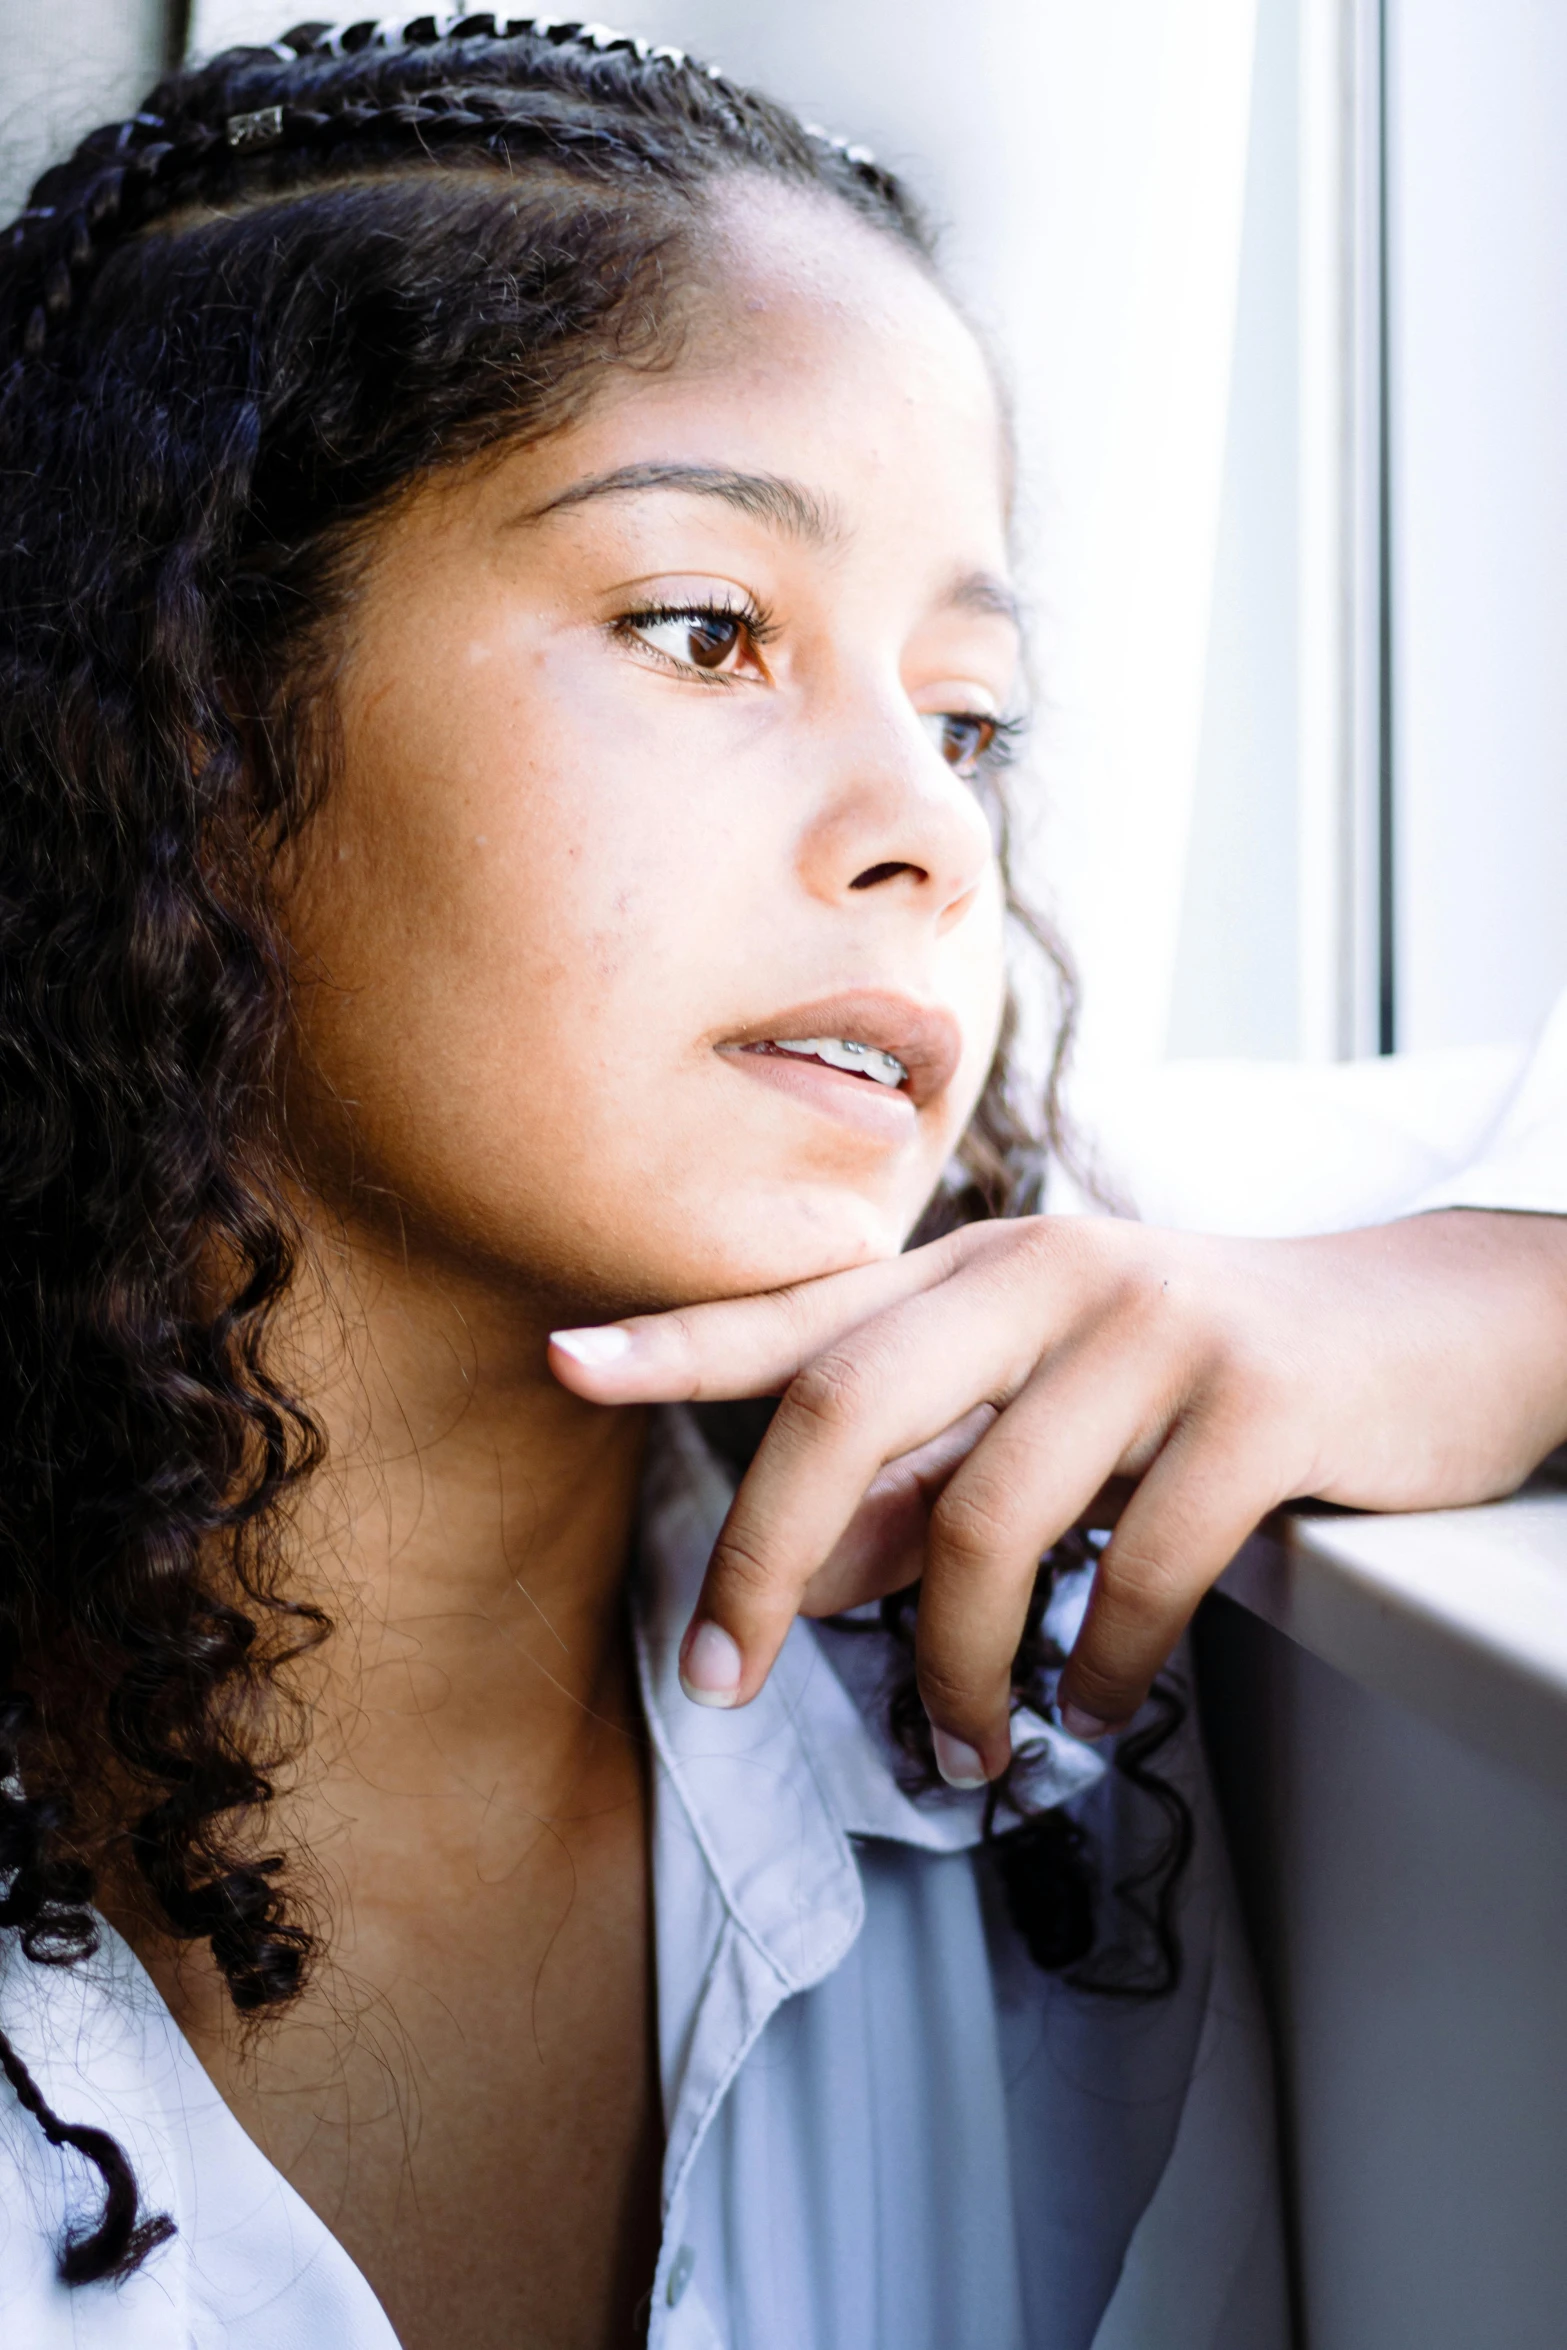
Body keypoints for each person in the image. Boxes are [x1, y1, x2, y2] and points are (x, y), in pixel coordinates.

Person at [0, 18, 1564, 2350]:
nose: (930, 826)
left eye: (972, 721)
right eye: (707, 628)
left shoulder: (1070, 1285)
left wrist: (1486, 1300)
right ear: (177, 722)